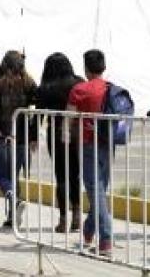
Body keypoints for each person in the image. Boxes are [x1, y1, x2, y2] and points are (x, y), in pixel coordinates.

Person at [68, 49, 113, 255]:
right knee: (100, 190)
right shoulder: (110, 88)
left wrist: (64, 138)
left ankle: (105, 239)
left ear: (86, 68)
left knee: (95, 191)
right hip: (107, 143)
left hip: (87, 143)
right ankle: (88, 230)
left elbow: (68, 116)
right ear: (103, 67)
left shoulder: (79, 89)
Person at [37, 52, 84, 233]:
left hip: (55, 133)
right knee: (75, 174)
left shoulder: (45, 88)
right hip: (75, 132)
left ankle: (63, 218)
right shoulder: (78, 82)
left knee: (61, 175)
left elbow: (39, 113)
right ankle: (78, 215)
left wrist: (33, 136)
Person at [0, 50, 37, 229]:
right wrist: (32, 136)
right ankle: (13, 216)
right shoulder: (29, 82)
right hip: (22, 137)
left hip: (2, 136)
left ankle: (14, 203)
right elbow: (35, 112)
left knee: (1, 175)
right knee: (13, 176)